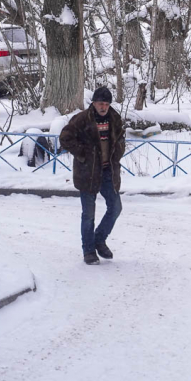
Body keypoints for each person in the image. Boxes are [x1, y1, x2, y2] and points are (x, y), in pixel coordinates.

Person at [59, 87, 125, 265]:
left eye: (106, 104)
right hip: (87, 172)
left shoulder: (114, 118)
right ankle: (88, 250)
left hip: (108, 171)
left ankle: (99, 239)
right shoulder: (82, 119)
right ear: (93, 103)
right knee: (88, 214)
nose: (103, 107)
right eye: (100, 103)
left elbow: (120, 138)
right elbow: (65, 137)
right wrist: (82, 153)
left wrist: (118, 152)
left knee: (116, 207)